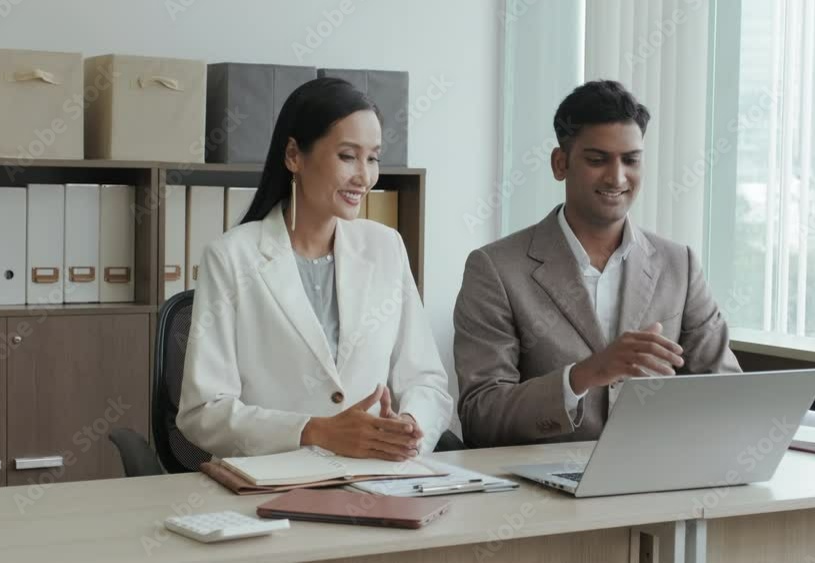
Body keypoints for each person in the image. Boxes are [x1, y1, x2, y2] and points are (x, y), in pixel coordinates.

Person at [178, 77, 454, 461]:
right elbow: (203, 411)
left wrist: (407, 426)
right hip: (274, 483)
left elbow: (427, 381)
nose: (364, 176)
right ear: (294, 155)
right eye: (347, 156)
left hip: (374, 479)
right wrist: (315, 432)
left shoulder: (386, 247)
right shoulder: (231, 257)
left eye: (372, 157)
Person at [454, 80, 740, 448]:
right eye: (597, 159)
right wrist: (586, 375)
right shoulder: (495, 269)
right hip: (542, 487)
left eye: (631, 160)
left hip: (659, 478)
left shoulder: (678, 264)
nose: (617, 177)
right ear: (561, 164)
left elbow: (728, 391)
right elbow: (481, 417)